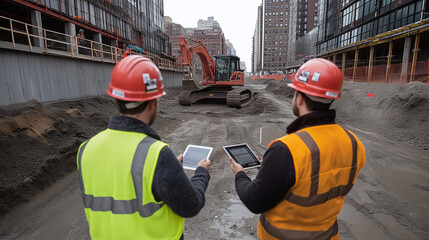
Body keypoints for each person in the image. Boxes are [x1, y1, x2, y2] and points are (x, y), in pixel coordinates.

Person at [229, 58, 366, 240]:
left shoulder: (286, 150)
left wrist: (240, 174)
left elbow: (255, 201)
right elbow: (316, 179)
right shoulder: (355, 144)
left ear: (299, 98)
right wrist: (271, 170)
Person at [77, 55, 211, 240]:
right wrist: (201, 173)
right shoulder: (157, 155)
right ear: (152, 102)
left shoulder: (86, 149)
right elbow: (191, 205)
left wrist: (170, 170)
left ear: (117, 99)